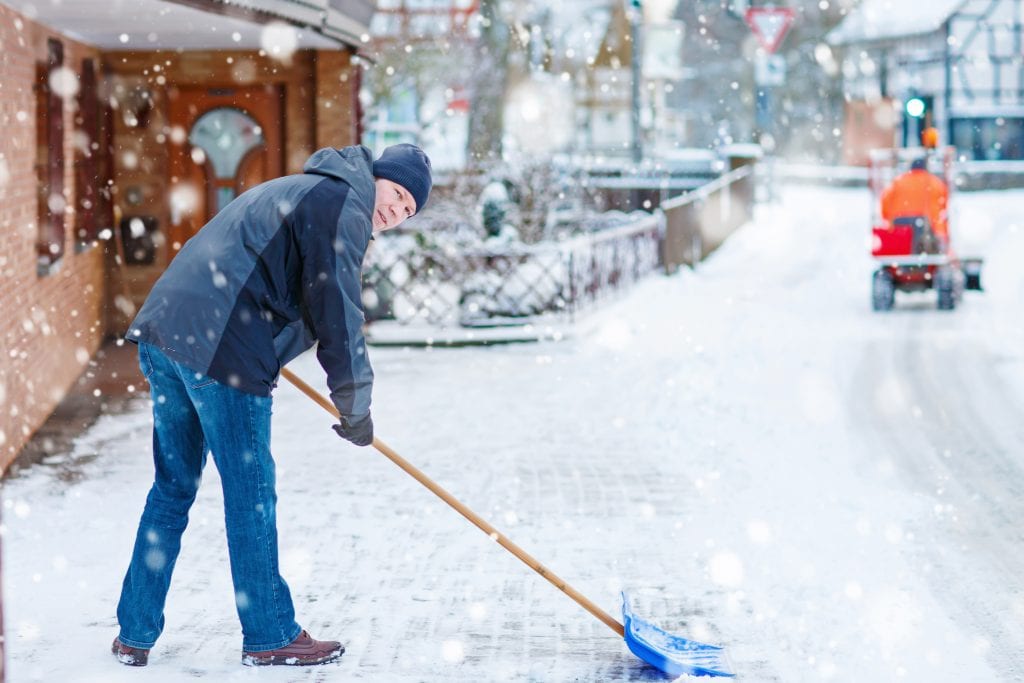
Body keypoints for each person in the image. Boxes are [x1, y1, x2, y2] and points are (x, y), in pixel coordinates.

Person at [111, 143, 432, 667]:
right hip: (220, 347)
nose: (395, 211)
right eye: (396, 194)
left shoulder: (310, 192)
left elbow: (280, 286)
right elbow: (338, 311)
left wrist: (268, 353)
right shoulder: (342, 206)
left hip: (166, 333)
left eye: (407, 210)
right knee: (251, 494)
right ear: (375, 175)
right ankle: (269, 633)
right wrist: (355, 403)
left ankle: (134, 631)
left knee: (172, 488)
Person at [880, 156, 949, 246]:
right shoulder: (934, 182)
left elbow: (885, 200)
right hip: (925, 224)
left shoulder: (898, 181)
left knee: (903, 246)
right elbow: (943, 205)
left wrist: (888, 218)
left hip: (900, 222)